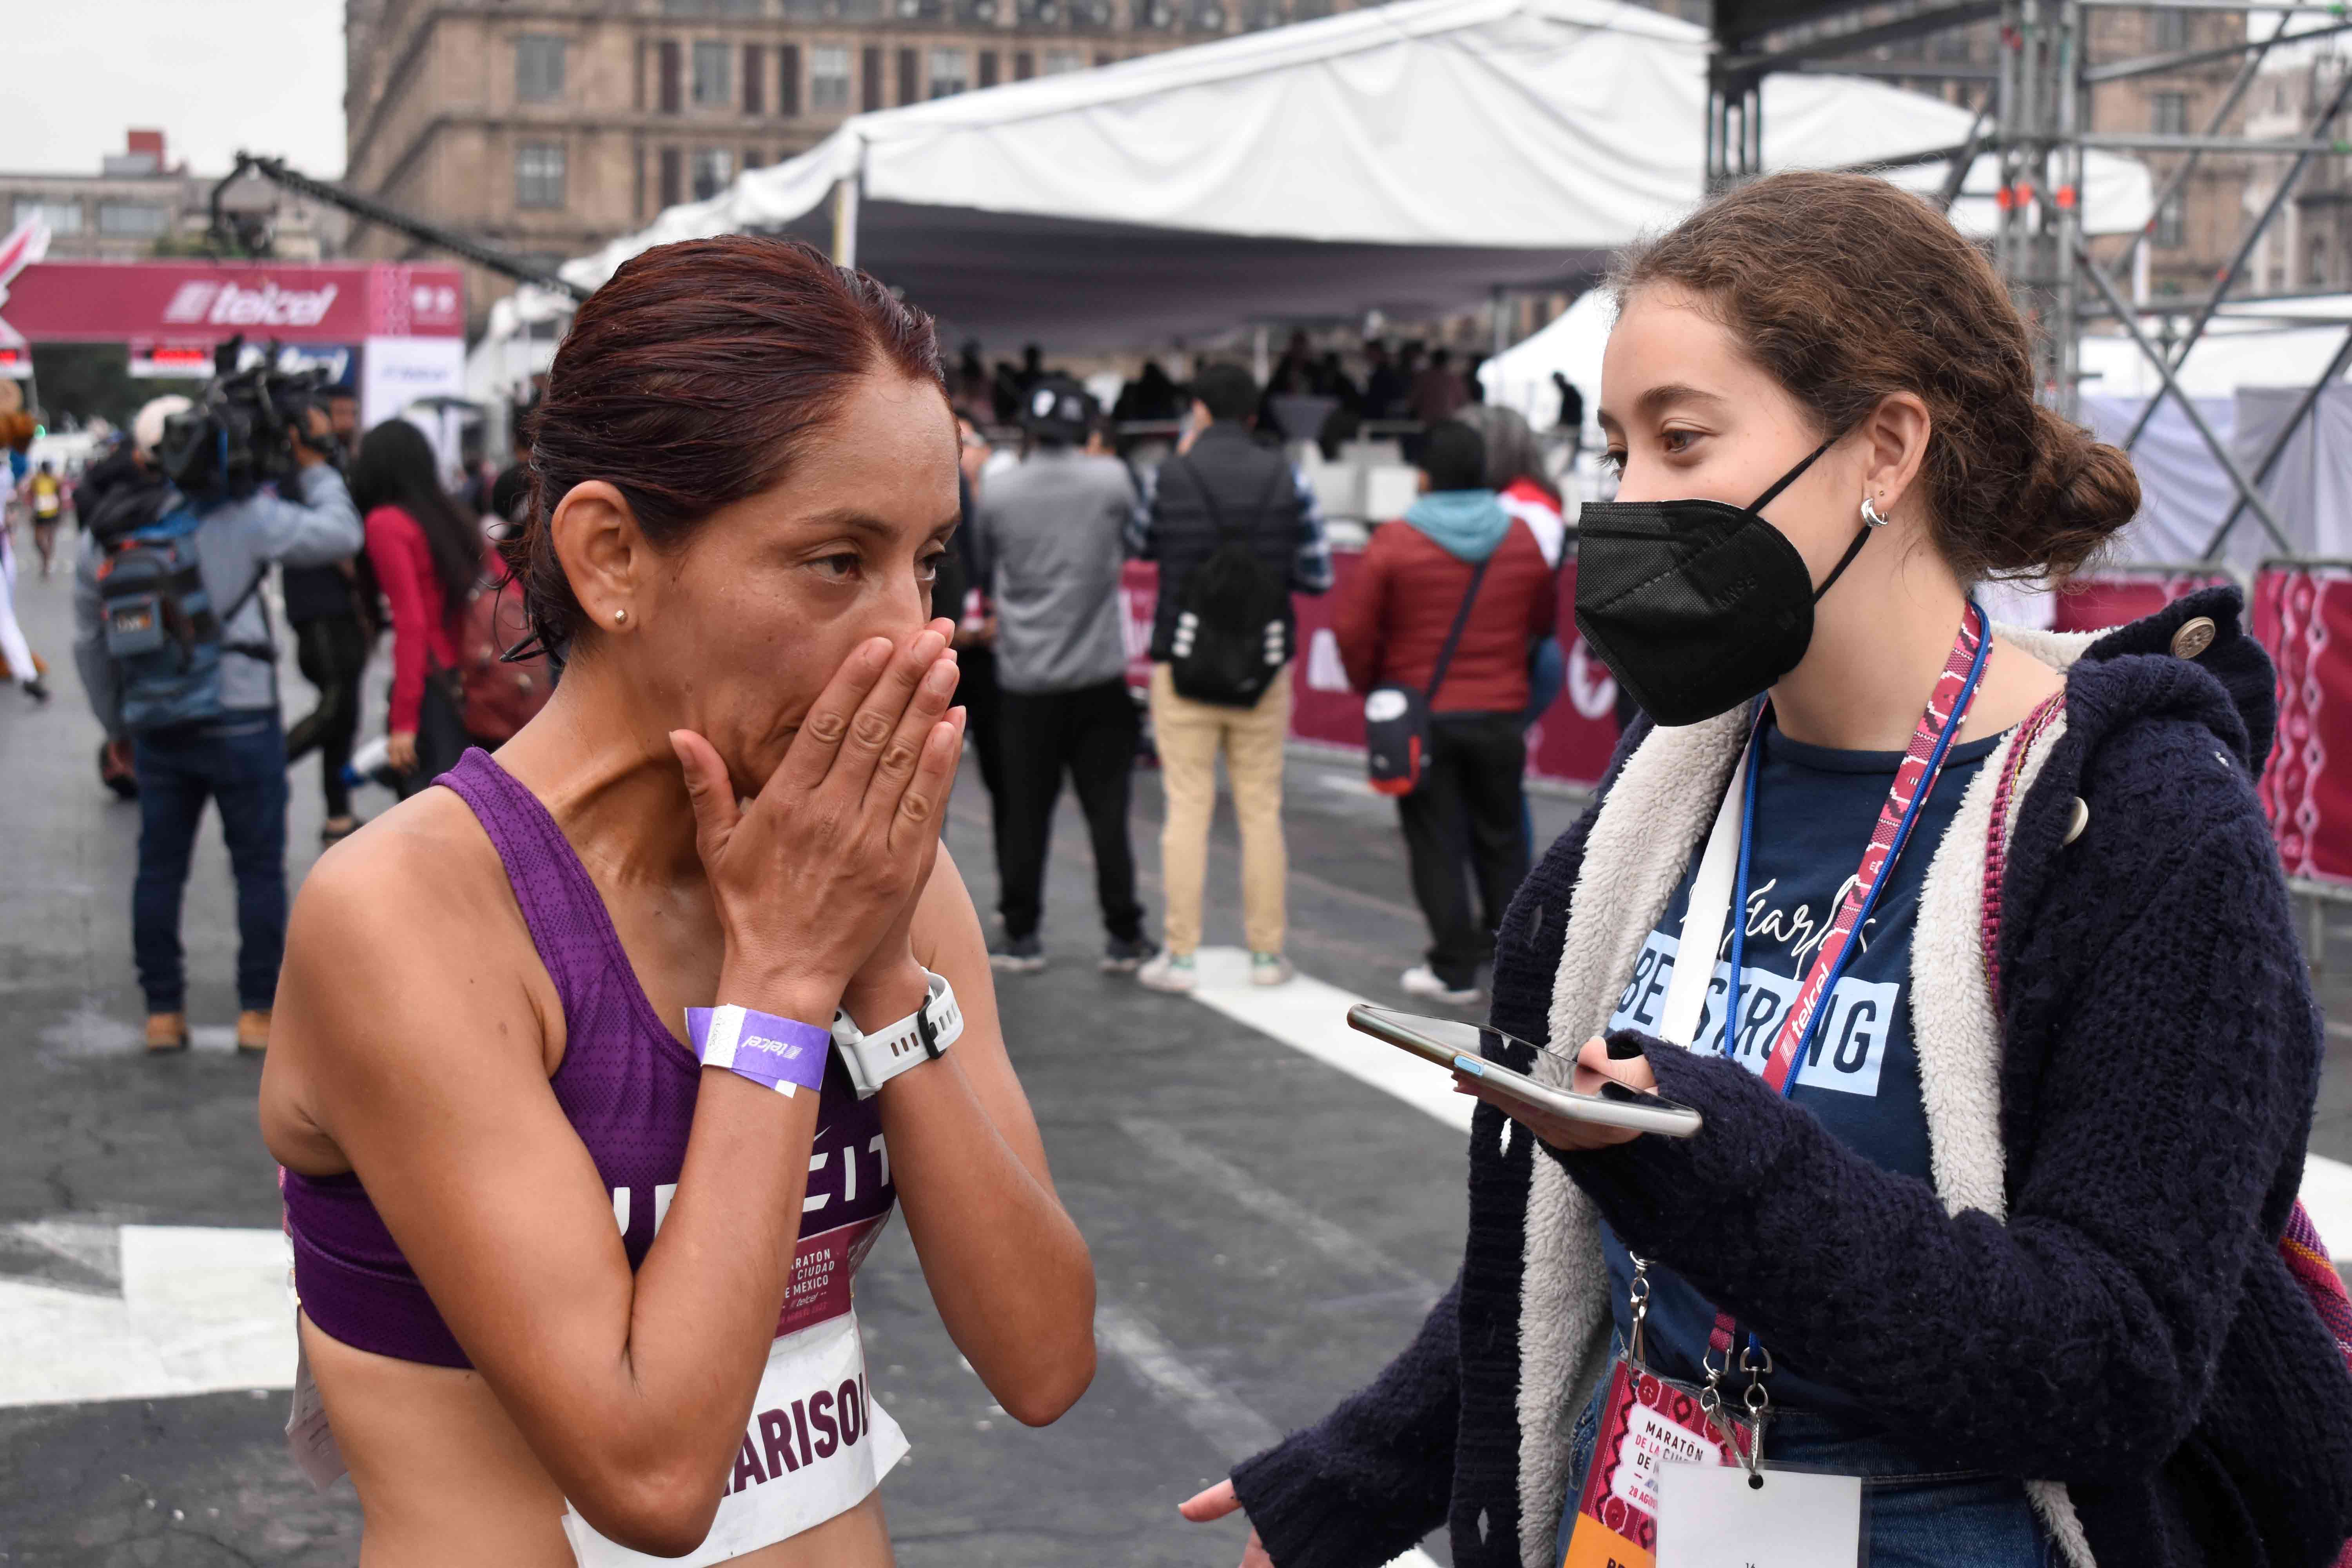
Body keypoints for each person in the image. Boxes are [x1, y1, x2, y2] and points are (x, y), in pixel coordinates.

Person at [1185, 171, 2352, 1568]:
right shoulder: (1667, 786)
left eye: (1680, 440)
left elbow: (2113, 1358)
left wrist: (1722, 1166)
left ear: (1885, 448)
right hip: (1639, 1503)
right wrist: (1357, 1476)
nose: (1628, 499)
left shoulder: (2138, 823)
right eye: (1615, 449)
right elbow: (1567, 1236)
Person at [259, 234, 1095, 1566]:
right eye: (837, 562)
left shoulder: (875, 876)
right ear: (610, 558)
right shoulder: (414, 912)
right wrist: (782, 980)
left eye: (928, 561)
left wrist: (878, 969)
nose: (913, 636)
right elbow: (646, 1475)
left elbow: (1046, 1359)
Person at [74, 393, 363, 1055]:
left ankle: (163, 1014)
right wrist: (314, 458)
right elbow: (342, 533)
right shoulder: (247, 516)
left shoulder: (109, 533)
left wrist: (117, 723)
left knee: (159, 868)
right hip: (240, 718)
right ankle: (258, 1012)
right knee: (258, 868)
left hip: (156, 723)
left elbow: (89, 643)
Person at [1332, 420, 1555, 1007]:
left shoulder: (1395, 543)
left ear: (1425, 476)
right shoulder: (1520, 540)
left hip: (1423, 717)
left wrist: (1377, 686)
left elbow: (1353, 630)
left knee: (1436, 842)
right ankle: (1513, 968)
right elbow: (1542, 625)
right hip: (1500, 714)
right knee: (1503, 841)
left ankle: (1453, 969)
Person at [1130, 362, 1332, 994]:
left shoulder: (1172, 474)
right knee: (1260, 809)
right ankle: (1267, 957)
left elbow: (1141, 543)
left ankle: (1182, 956)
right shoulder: (1288, 476)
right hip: (1263, 665)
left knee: (1187, 807)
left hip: (1182, 662)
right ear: (1253, 415)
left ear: (1199, 411)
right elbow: (1317, 573)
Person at [972, 376, 1154, 975]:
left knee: (1024, 813)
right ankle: (1124, 936)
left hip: (1025, 678)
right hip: (1098, 673)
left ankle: (1022, 935)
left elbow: (983, 564)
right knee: (1108, 812)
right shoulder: (1111, 480)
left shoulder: (999, 492)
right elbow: (1136, 539)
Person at [352, 419, 488, 798]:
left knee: (427, 807)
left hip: (432, 686)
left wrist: (403, 722)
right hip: (467, 676)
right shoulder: (450, 514)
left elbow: (412, 625)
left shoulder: (386, 524)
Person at [24, 459, 65, 576]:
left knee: (50, 538)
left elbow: (60, 495)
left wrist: (61, 512)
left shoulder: (55, 480)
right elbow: (31, 494)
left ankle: (47, 563)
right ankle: (46, 557)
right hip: (39, 514)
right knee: (38, 541)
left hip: (52, 514)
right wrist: (31, 509)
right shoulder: (36, 480)